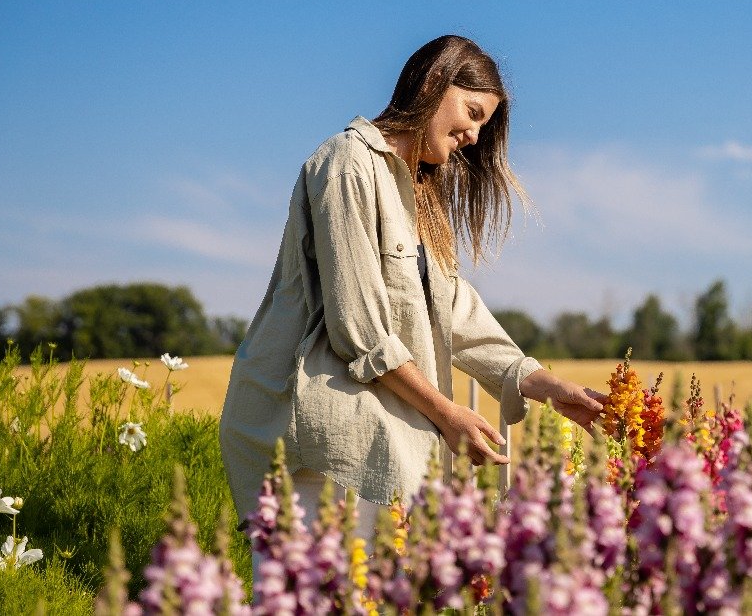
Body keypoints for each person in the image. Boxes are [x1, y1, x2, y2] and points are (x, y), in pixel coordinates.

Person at [218, 35, 605, 548]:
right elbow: (358, 328)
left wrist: (551, 389)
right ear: (432, 84)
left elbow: (458, 314)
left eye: (483, 124)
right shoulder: (347, 163)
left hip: (379, 438)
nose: (473, 135)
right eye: (472, 113)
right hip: (315, 438)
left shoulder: (420, 194)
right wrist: (449, 415)